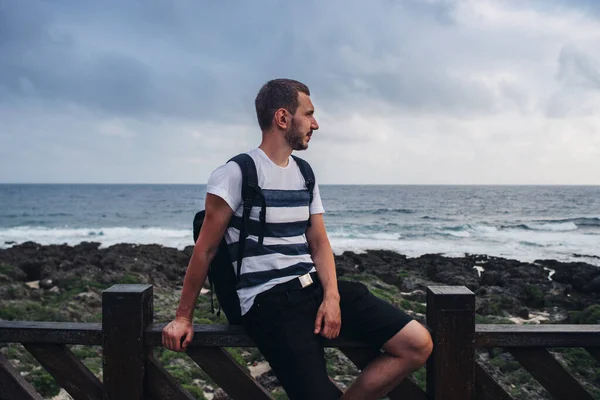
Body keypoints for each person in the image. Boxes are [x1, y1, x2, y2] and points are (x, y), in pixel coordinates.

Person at [162, 78, 433, 399]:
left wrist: (332, 297)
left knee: (416, 344)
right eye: (309, 114)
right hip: (270, 304)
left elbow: (319, 243)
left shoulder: (304, 173)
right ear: (282, 118)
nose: (315, 124)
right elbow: (205, 250)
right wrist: (182, 317)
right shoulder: (235, 173)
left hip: (314, 289)